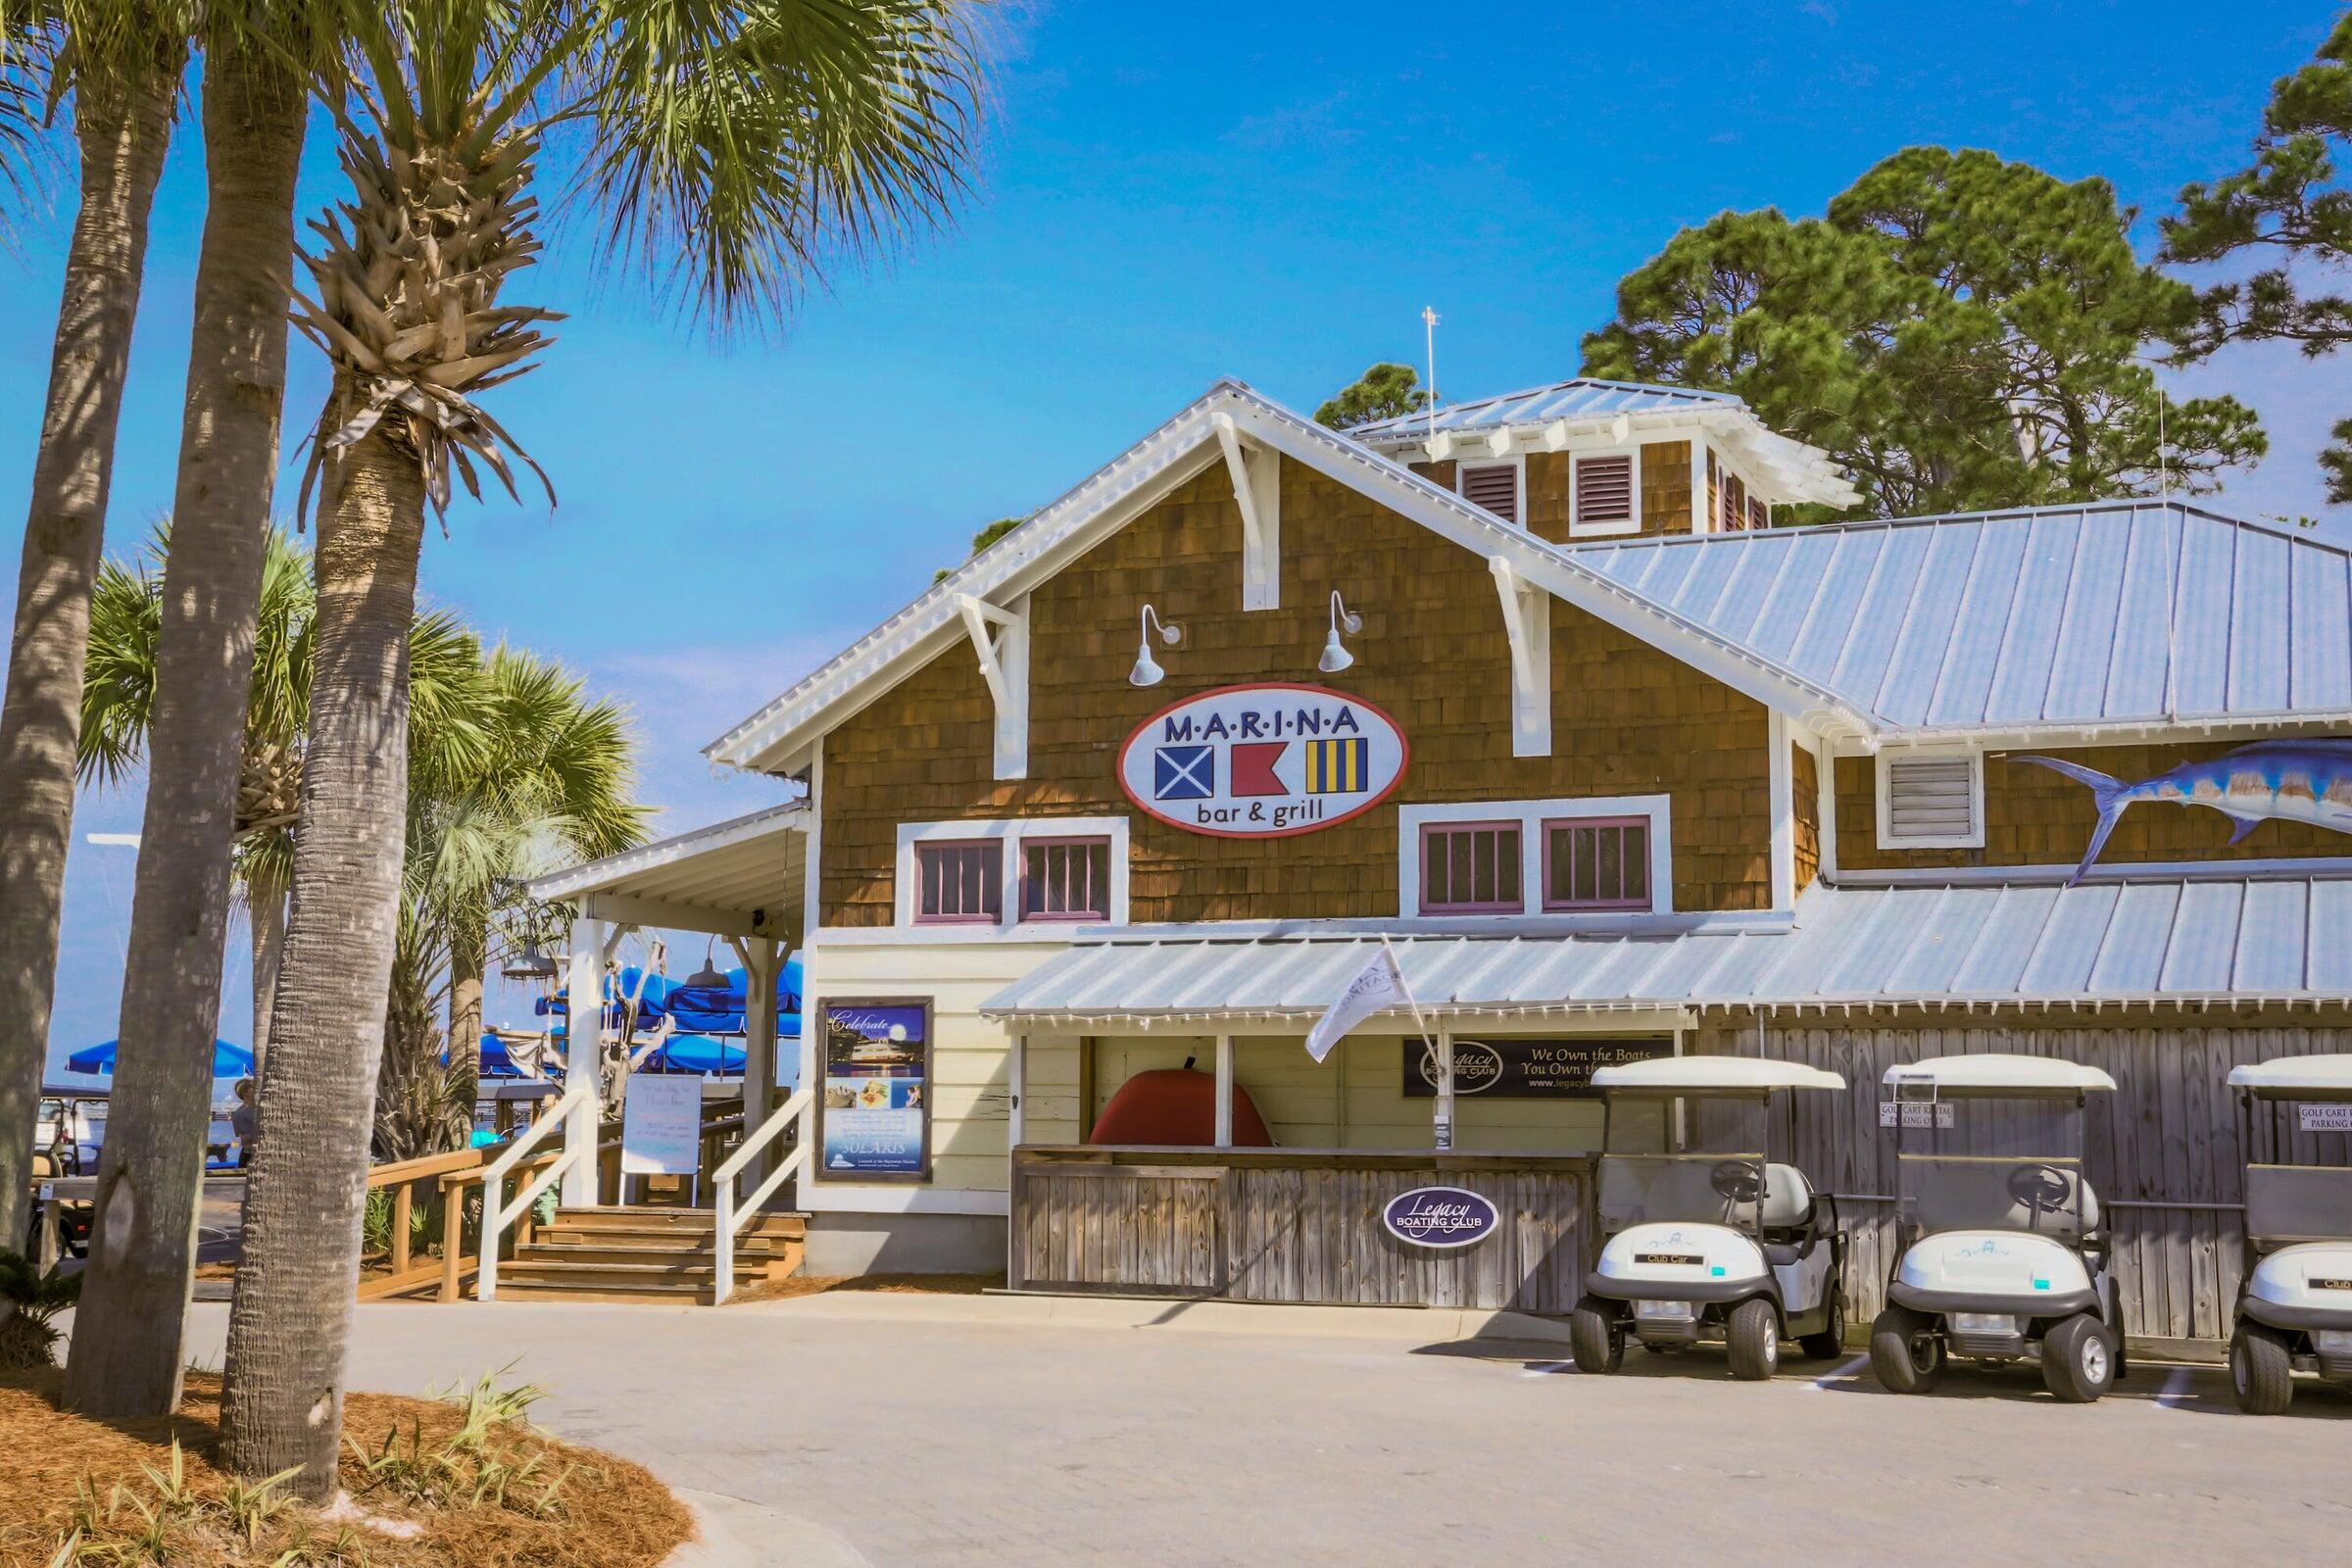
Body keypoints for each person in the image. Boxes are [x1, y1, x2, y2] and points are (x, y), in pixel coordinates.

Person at [230, 1077, 259, 1167]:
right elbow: (242, 1138)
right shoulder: (242, 1112)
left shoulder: (251, 1110)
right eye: (253, 1090)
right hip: (249, 1155)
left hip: (249, 1153)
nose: (256, 1092)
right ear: (246, 1095)